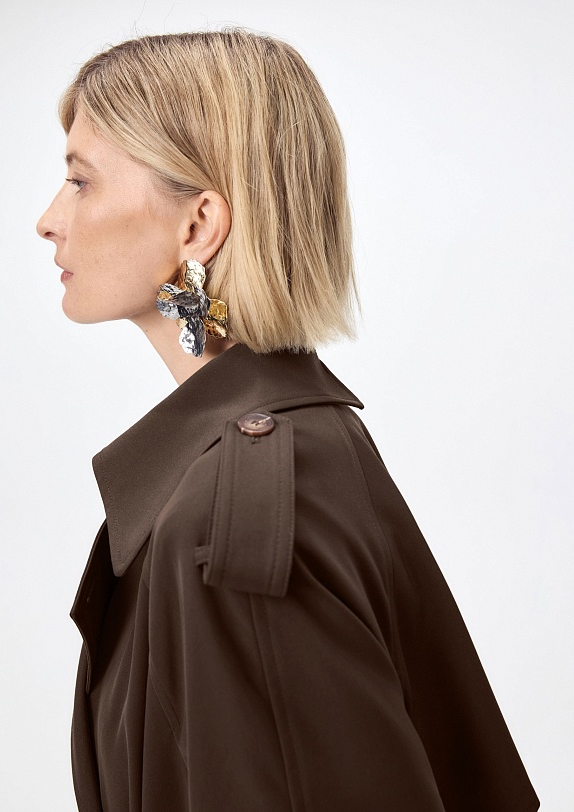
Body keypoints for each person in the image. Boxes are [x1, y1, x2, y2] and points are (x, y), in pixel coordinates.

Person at [36, 30, 539, 812]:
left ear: (198, 226)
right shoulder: (299, 446)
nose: (49, 219)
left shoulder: (226, 521)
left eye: (80, 181)